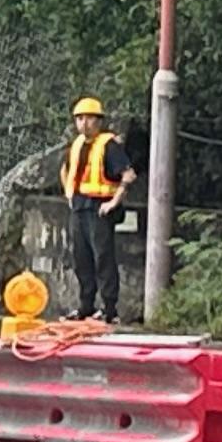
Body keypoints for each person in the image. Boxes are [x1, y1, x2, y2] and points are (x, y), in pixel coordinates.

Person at [57, 98, 134, 321]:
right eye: (80, 119)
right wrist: (69, 193)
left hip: (100, 209)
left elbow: (128, 175)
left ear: (99, 121)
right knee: (81, 258)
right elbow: (65, 170)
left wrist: (113, 202)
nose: (84, 123)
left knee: (103, 258)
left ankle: (109, 310)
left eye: (89, 118)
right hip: (79, 207)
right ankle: (86, 306)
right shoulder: (77, 145)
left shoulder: (109, 145)